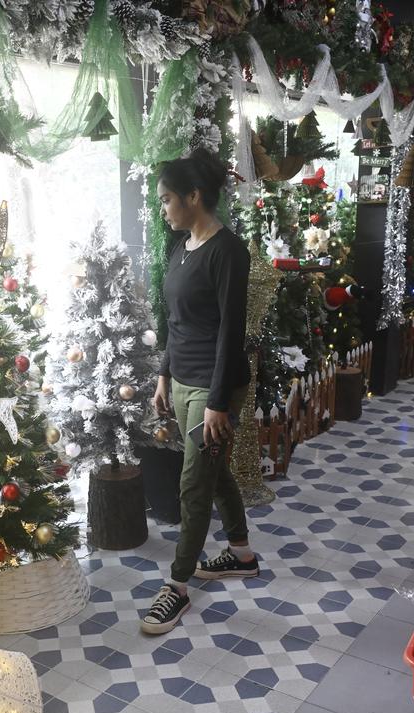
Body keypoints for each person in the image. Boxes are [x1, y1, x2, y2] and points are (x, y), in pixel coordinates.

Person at [141, 147, 257, 635]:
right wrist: (164, 374)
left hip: (215, 386)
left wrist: (215, 403)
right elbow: (175, 321)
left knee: (193, 486)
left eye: (168, 199)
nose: (163, 209)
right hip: (184, 378)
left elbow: (231, 331)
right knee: (212, 470)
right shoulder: (180, 247)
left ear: (194, 196)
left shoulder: (227, 251)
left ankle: (178, 586)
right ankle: (242, 555)